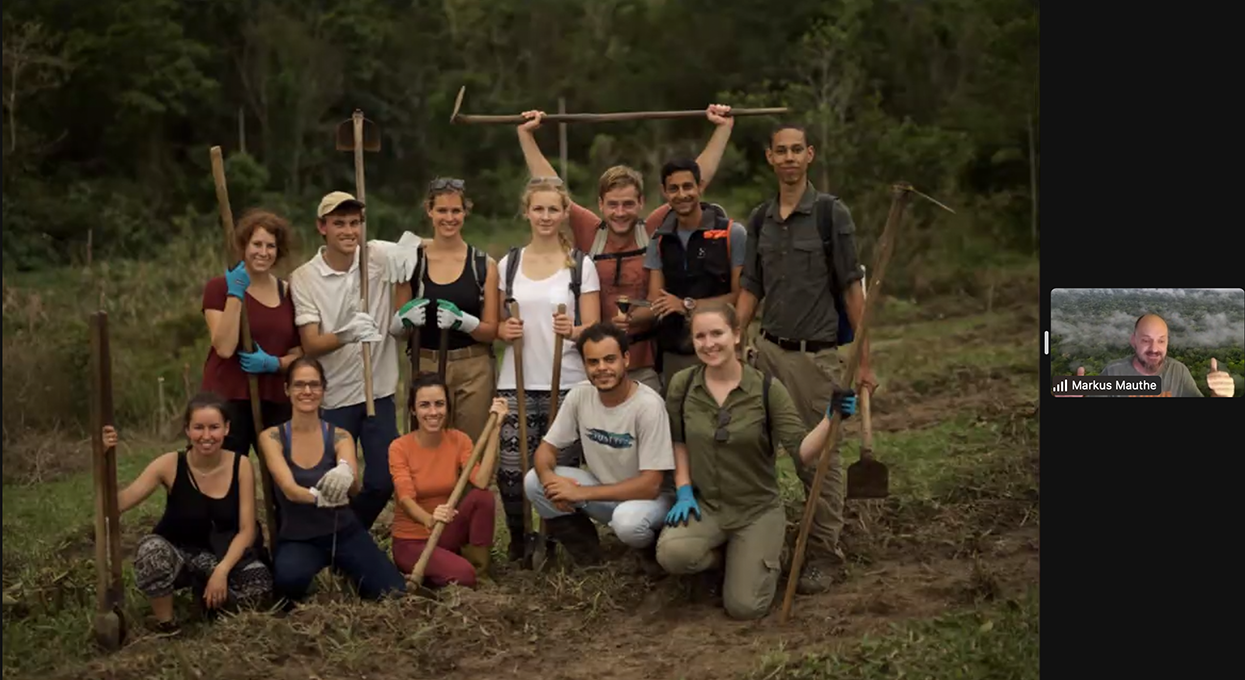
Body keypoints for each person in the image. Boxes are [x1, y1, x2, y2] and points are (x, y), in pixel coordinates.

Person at [733, 122, 875, 595]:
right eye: (781, 151)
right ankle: (757, 543)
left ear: (810, 155)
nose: (790, 158)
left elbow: (854, 293)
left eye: (798, 150)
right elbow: (751, 285)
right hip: (767, 353)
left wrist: (865, 361)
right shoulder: (760, 219)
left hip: (817, 360)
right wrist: (736, 336)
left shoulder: (831, 215)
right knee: (755, 451)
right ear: (769, 158)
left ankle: (822, 554)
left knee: (819, 461)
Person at [514, 105, 738, 394]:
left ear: (641, 203)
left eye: (628, 204)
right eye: (613, 205)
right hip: (597, 363)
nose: (620, 212)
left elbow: (696, 181)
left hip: (646, 365)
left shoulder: (653, 228)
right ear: (600, 204)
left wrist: (722, 128)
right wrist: (526, 136)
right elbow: (551, 187)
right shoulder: (590, 231)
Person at [655, 302, 856, 620]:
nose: (709, 344)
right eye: (700, 336)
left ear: (736, 335)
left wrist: (831, 419)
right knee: (672, 554)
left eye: (717, 333)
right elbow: (677, 440)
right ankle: (725, 559)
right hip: (707, 506)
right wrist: (683, 489)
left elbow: (801, 451)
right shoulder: (682, 384)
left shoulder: (767, 390)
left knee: (745, 608)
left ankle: (770, 552)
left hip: (756, 509)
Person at [289, 191, 422, 531]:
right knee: (338, 482)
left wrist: (411, 245)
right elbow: (310, 344)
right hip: (334, 397)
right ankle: (330, 541)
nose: (348, 231)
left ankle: (351, 534)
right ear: (322, 227)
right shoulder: (304, 278)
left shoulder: (375, 255)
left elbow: (434, 243)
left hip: (377, 391)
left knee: (382, 480)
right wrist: (346, 334)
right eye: (338, 224)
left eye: (354, 223)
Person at [494, 178, 602, 561]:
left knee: (559, 470)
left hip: (568, 381)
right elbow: (494, 325)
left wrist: (573, 331)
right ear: (526, 212)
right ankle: (519, 540)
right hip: (516, 380)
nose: (545, 216)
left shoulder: (581, 266)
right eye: (538, 209)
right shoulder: (509, 264)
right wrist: (503, 329)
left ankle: (555, 541)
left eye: (553, 209)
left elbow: (593, 326)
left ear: (564, 213)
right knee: (510, 471)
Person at [116, 393, 273, 635]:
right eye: (198, 427)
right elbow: (118, 503)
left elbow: (247, 529)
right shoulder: (169, 464)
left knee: (260, 583)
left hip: (223, 554)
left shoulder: (240, 465)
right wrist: (105, 456)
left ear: (227, 428)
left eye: (214, 427)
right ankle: (166, 624)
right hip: (181, 554)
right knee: (151, 551)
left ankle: (209, 598)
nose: (206, 436)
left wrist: (221, 572)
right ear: (187, 430)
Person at [524, 322, 675, 571]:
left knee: (627, 522)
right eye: (593, 362)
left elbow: (651, 485)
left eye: (609, 359)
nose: (602, 368)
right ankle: (590, 558)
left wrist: (580, 494)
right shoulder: (580, 396)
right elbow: (545, 450)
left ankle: (651, 557)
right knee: (534, 481)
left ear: (626, 359)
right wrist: (551, 481)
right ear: (584, 365)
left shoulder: (648, 406)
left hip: (651, 501)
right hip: (606, 492)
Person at [257, 357, 407, 603]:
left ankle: (347, 569)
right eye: (299, 385)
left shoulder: (340, 436)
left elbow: (354, 485)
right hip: (299, 537)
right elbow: (290, 489)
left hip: (343, 531)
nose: (307, 391)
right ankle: (325, 571)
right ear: (287, 389)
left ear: (324, 390)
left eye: (314, 385)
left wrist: (346, 473)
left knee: (394, 591)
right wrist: (319, 497)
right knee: (288, 583)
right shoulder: (272, 437)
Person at [390, 179, 500, 442]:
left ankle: (473, 486)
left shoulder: (483, 264)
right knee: (428, 447)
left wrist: (464, 322)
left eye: (456, 211)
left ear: (465, 213)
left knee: (471, 448)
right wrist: (402, 320)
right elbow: (400, 330)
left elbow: (491, 331)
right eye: (441, 210)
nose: (449, 218)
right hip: (424, 363)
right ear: (429, 211)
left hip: (473, 368)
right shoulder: (411, 260)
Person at [201, 209, 303, 460]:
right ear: (244, 245)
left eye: (271, 246)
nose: (263, 252)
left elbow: (299, 355)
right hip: (228, 397)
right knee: (227, 472)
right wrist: (236, 294)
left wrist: (273, 363)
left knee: (283, 474)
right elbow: (224, 347)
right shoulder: (220, 287)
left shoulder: (288, 292)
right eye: (257, 244)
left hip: (274, 399)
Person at [389, 372, 508, 587]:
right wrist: (429, 519)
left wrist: (495, 429)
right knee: (463, 576)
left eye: (439, 404)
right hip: (412, 541)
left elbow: (481, 481)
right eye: (425, 405)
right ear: (413, 410)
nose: (433, 412)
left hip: (444, 533)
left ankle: (479, 572)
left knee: (483, 497)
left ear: (447, 407)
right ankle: (445, 572)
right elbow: (405, 498)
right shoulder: (400, 447)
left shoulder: (458, 440)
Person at [643, 158, 748, 390]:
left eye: (687, 186)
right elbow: (656, 300)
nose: (682, 194)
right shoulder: (659, 240)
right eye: (674, 188)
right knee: (680, 421)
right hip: (675, 354)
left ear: (700, 186)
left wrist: (687, 305)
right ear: (664, 192)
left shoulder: (732, 233)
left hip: (722, 349)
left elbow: (740, 295)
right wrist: (626, 319)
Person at [1071, 313, 1236, 397]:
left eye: (1161, 341)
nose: (1154, 348)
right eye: (1146, 340)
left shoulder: (1178, 373)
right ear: (1133, 341)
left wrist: (1219, 395)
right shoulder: (1113, 372)